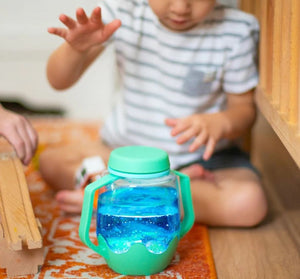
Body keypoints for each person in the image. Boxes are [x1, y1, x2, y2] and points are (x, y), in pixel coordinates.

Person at [39, 0, 268, 226]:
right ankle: (154, 199)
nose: (180, 8)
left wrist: (223, 121)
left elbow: (244, 110)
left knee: (248, 202)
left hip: (204, 161)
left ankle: (114, 199)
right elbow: (58, 81)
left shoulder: (236, 31)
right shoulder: (123, 12)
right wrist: (76, 50)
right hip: (123, 157)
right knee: (50, 162)